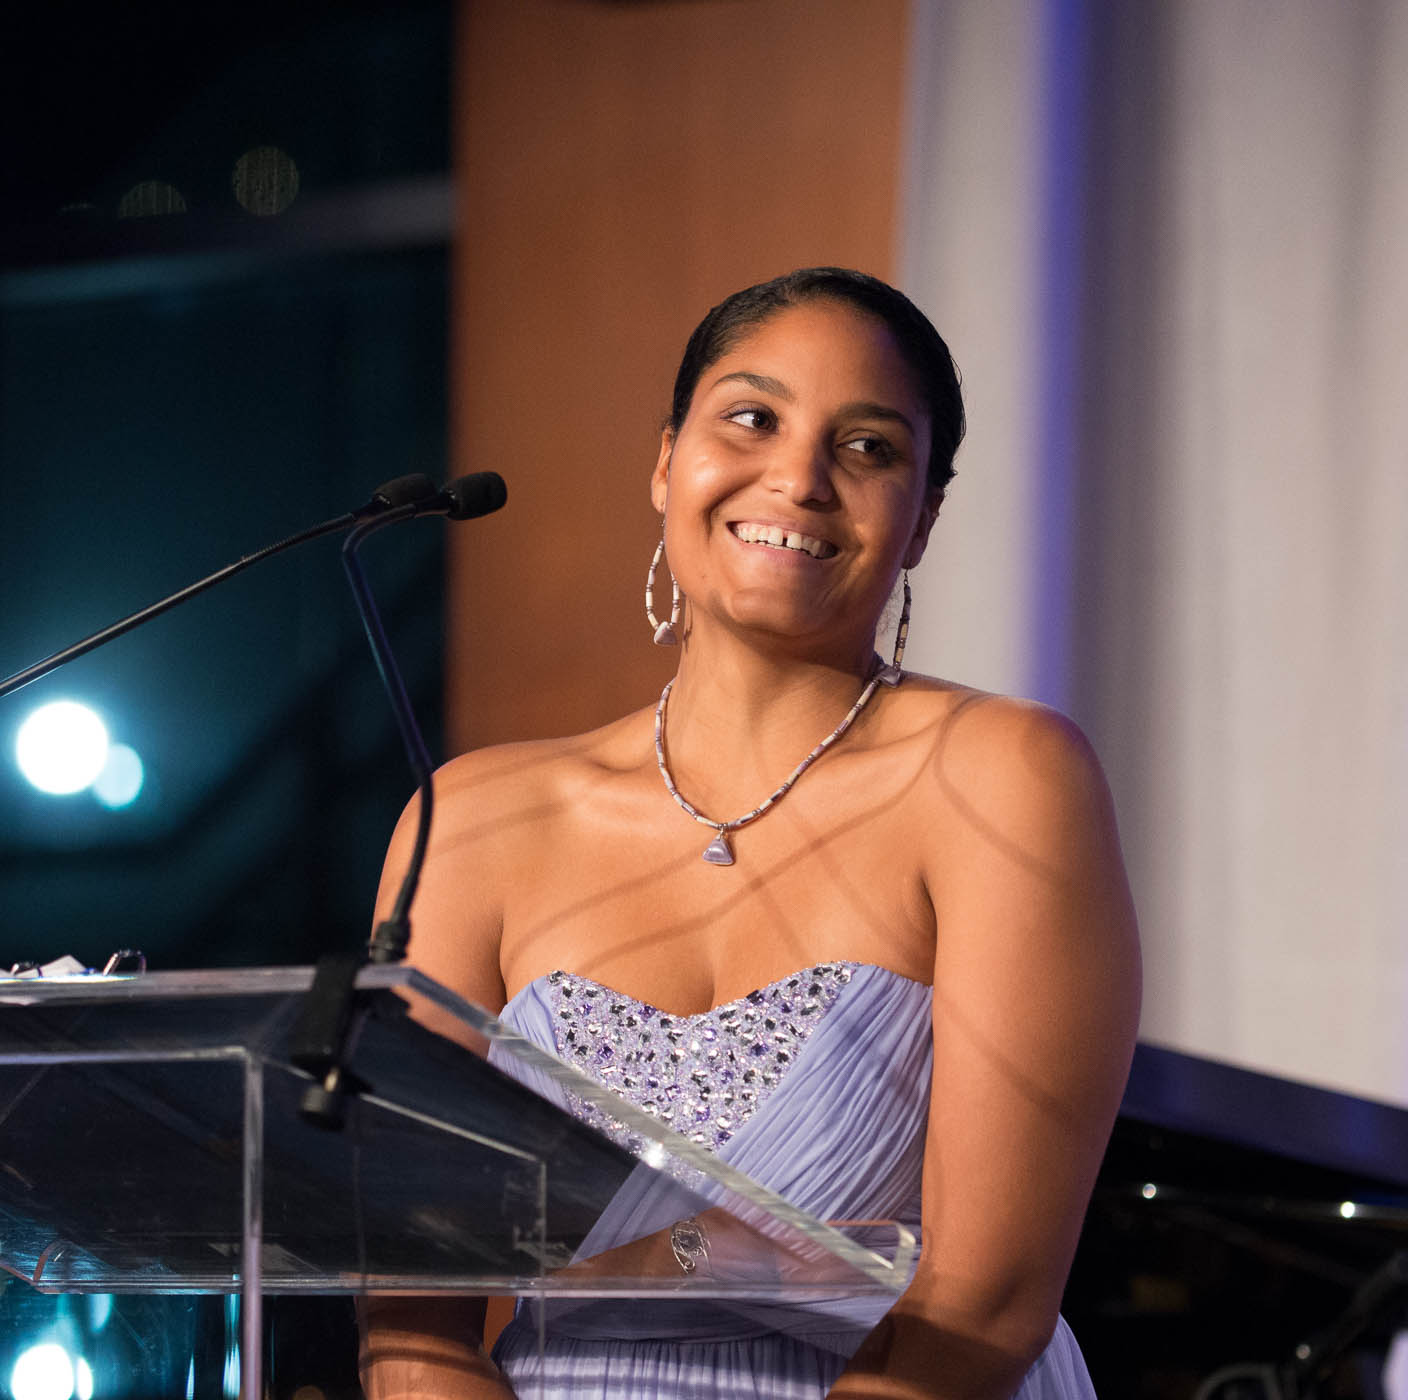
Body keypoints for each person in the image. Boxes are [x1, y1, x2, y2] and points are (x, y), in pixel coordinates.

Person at [359, 268, 1140, 1399]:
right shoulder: (476, 815)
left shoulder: (1005, 775)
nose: (800, 476)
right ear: (668, 460)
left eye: (868, 447)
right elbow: (412, 1320)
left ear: (921, 518)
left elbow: (985, 1297)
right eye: (752, 417)